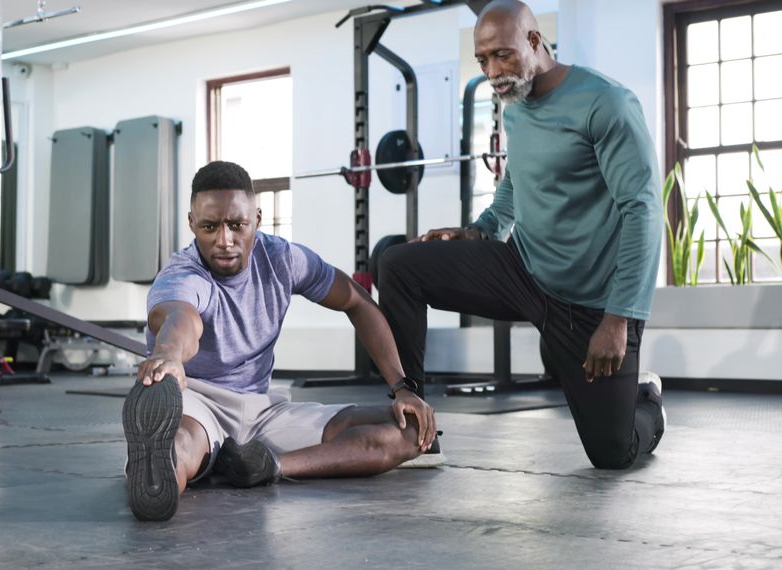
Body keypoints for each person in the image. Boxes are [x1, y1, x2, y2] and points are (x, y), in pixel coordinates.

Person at [378, 0, 666, 470]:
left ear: (534, 41)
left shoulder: (607, 103)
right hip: (523, 272)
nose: (493, 72)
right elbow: (516, 182)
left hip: (590, 303)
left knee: (612, 453)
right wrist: (480, 231)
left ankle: (647, 400)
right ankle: (415, 431)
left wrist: (618, 319)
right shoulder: (515, 106)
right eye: (482, 60)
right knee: (400, 266)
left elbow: (643, 211)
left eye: (503, 55)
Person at [123, 161, 437, 521]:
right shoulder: (182, 274)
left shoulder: (282, 259)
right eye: (209, 227)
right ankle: (154, 473)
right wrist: (168, 354)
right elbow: (181, 320)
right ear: (192, 223)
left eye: (236, 225)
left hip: (263, 412)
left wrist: (402, 387)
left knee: (414, 431)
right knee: (182, 444)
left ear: (257, 219)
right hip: (199, 401)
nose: (224, 240)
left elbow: (357, 301)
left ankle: (267, 465)